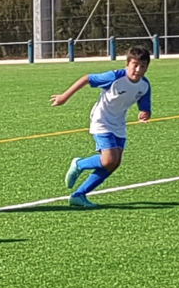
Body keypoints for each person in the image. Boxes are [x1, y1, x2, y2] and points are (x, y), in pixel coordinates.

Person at [52, 46, 152, 207]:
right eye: (135, 65)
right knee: (108, 160)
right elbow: (87, 78)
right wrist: (64, 97)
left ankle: (78, 195)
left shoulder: (144, 85)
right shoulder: (114, 77)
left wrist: (145, 113)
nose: (138, 70)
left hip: (119, 123)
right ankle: (79, 164)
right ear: (127, 64)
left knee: (114, 163)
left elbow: (144, 105)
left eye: (143, 66)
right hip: (101, 120)